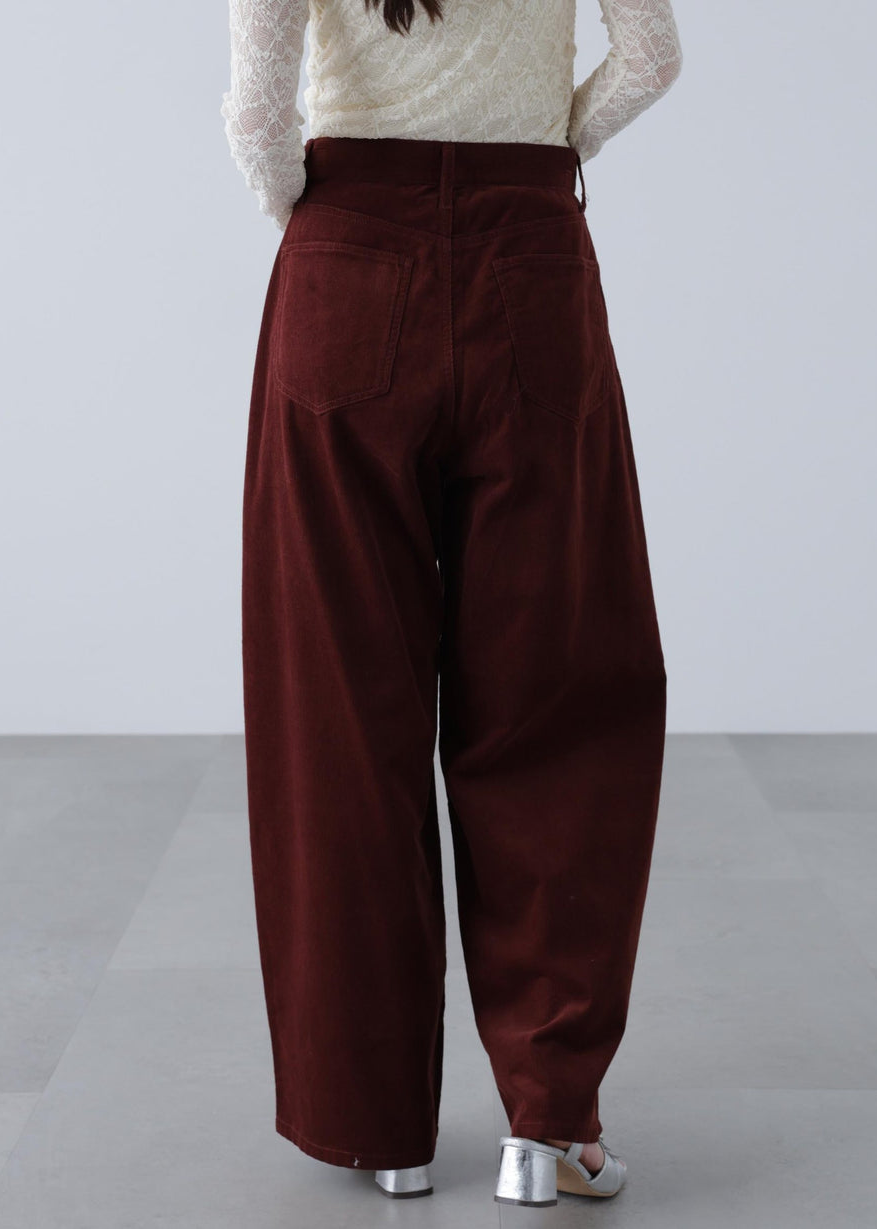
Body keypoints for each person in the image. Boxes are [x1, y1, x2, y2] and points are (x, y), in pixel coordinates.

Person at [220, 0, 682, 1207]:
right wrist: (553, 148)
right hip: (530, 261)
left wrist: (324, 217)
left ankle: (377, 1125)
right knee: (558, 700)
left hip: (343, 264)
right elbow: (650, 58)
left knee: (340, 716)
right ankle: (549, 1123)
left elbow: (258, 120)